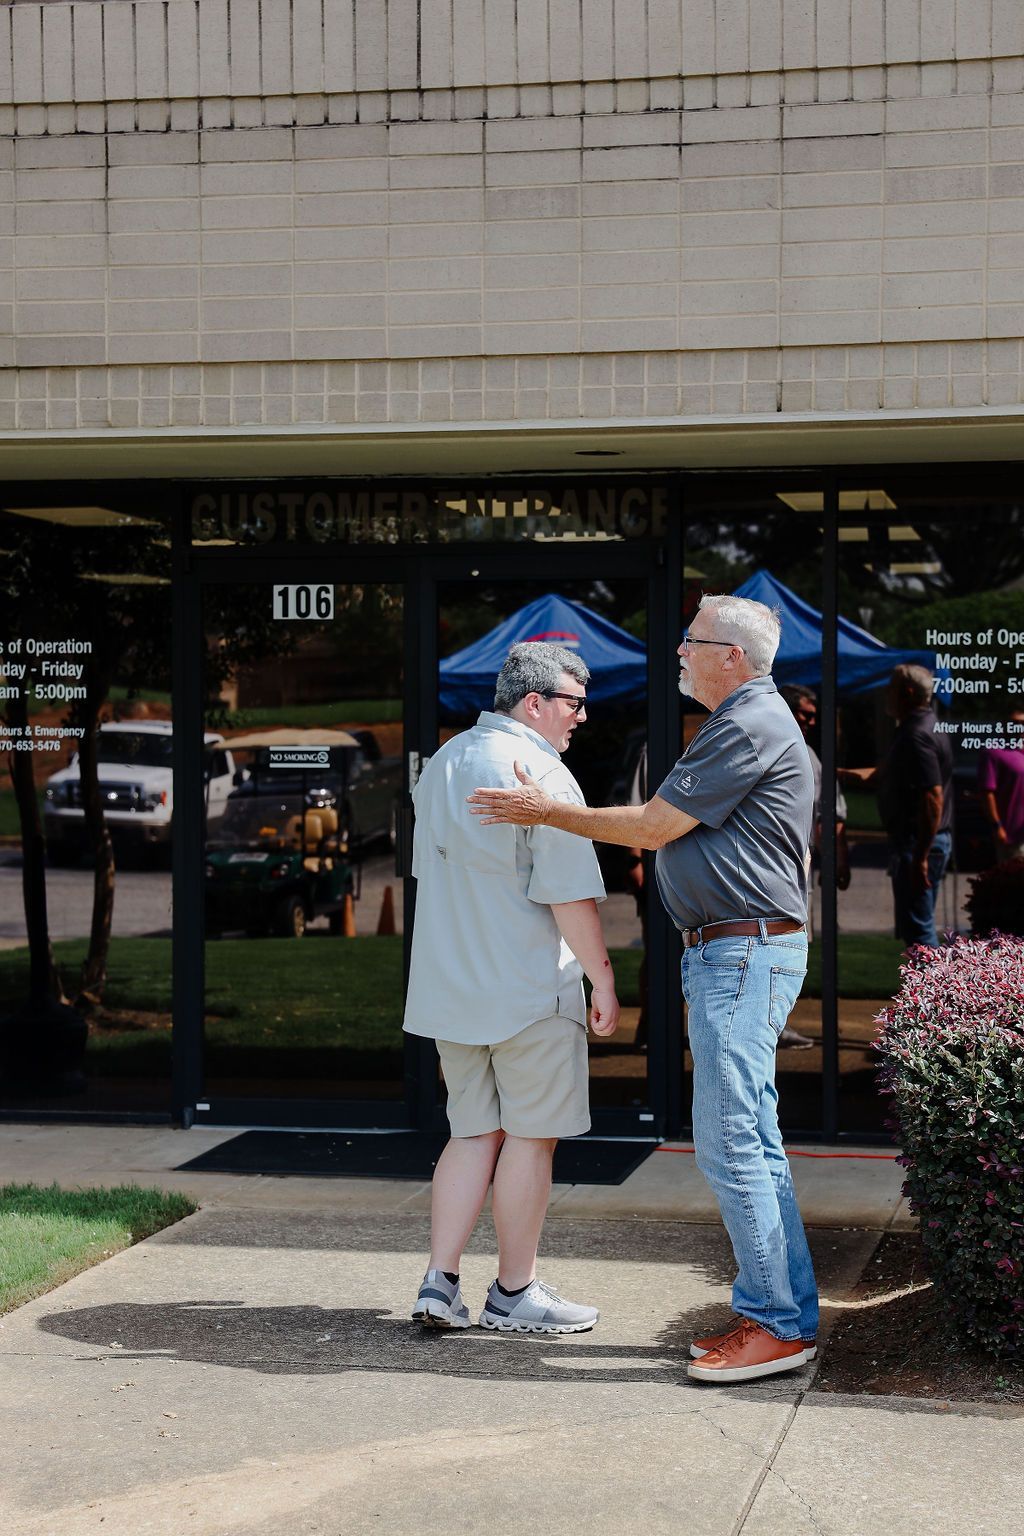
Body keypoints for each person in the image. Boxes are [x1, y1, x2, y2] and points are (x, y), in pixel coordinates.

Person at [469, 595, 818, 1386]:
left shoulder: (748, 722)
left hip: (740, 956)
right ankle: (780, 1316)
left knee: (734, 1145)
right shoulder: (749, 721)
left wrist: (545, 811)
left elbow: (656, 827)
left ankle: (777, 1327)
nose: (678, 655)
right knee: (750, 1143)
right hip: (735, 955)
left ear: (731, 654)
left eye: (689, 642)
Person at [406, 641, 619, 1335]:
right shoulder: (543, 777)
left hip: (450, 989)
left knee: (470, 1133)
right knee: (531, 1138)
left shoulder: (441, 764)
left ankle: (439, 1283)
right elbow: (570, 898)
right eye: (573, 704)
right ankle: (513, 1292)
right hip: (529, 988)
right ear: (536, 703)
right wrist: (605, 980)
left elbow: (426, 876)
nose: (580, 718)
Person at [839, 663, 953, 949]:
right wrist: (833, 772)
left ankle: (931, 992)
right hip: (921, 843)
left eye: (891, 688)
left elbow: (933, 797)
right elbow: (880, 775)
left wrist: (921, 856)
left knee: (919, 930)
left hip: (919, 844)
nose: (887, 694)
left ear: (908, 692)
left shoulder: (916, 735)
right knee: (917, 924)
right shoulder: (922, 727)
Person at [778, 685, 850, 1048]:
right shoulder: (777, 746)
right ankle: (773, 1025)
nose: (809, 721)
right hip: (773, 866)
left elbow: (827, 815)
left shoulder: (807, 754)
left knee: (793, 941)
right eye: (804, 713)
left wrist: (837, 857)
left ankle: (777, 1023)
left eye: (811, 714)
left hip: (797, 864)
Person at [980, 709, 1024, 861]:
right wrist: (997, 825)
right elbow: (987, 793)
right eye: (1014, 723)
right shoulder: (994, 752)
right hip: (1011, 836)